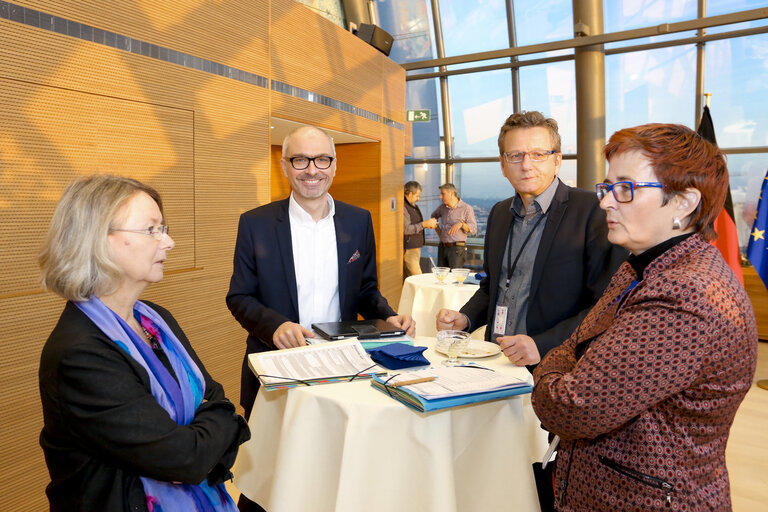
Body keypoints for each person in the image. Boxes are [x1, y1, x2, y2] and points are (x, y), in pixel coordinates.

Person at [531, 123, 758, 511]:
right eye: (607, 187)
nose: (604, 202)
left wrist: (549, 372)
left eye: (625, 187)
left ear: (684, 202)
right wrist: (568, 360)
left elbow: (571, 407)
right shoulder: (642, 266)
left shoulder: (685, 294)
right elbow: (576, 344)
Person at [38, 175, 250, 512]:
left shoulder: (156, 319)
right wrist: (202, 440)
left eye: (163, 228)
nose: (169, 242)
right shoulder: (80, 353)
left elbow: (219, 402)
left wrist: (200, 439)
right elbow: (185, 459)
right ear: (97, 239)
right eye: (151, 230)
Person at [227, 125, 415, 418]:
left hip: (343, 365)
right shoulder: (256, 224)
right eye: (300, 160)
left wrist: (387, 316)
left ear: (335, 165)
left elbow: (365, 290)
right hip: (277, 366)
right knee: (272, 459)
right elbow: (240, 296)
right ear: (285, 166)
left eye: (322, 160)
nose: (312, 170)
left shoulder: (358, 221)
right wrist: (275, 327)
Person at [436, 111, 625, 368]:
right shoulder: (500, 213)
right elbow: (493, 286)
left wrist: (543, 344)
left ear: (557, 161)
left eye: (538, 154)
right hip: (494, 360)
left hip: (554, 366)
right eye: (515, 156)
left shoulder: (592, 211)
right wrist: (466, 318)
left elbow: (606, 304)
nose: (526, 165)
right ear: (503, 165)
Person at [431, 183, 477, 268]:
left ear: (451, 193)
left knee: (454, 278)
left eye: (443, 194)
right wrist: (439, 232)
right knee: (441, 276)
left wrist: (461, 224)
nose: (440, 197)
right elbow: (433, 217)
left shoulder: (466, 208)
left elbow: (474, 229)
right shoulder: (442, 207)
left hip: (457, 250)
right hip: (442, 247)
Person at [404, 180, 438, 277]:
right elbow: (406, 229)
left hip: (414, 247)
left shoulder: (412, 206)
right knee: (417, 277)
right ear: (410, 193)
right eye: (417, 196)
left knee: (410, 278)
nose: (418, 199)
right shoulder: (404, 207)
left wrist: (427, 225)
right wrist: (424, 224)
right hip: (409, 249)